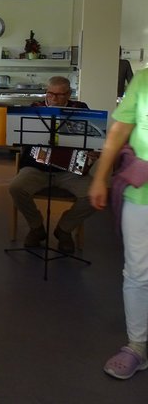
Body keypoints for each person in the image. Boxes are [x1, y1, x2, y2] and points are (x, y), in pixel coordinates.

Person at [89, 68, 148, 380]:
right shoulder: (144, 80)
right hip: (142, 194)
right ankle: (137, 345)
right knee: (137, 273)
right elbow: (119, 130)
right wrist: (101, 177)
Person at [9, 76, 95, 254]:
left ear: (69, 94)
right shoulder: (35, 109)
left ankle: (64, 229)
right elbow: (18, 140)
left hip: (71, 170)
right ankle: (36, 227)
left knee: (94, 195)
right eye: (50, 94)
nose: (54, 98)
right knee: (16, 187)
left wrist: (92, 151)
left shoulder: (80, 109)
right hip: (36, 167)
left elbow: (93, 140)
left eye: (59, 95)